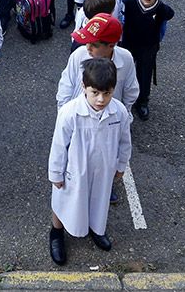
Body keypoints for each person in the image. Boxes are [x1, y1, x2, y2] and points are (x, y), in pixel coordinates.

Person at [48, 57, 132, 265]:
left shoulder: (119, 111)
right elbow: (59, 146)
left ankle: (96, 229)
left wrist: (121, 164)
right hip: (74, 170)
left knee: (99, 200)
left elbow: (124, 141)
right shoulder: (70, 113)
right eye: (95, 93)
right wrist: (56, 174)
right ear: (84, 87)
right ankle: (56, 233)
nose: (101, 100)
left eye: (107, 93)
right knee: (64, 200)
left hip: (103, 169)